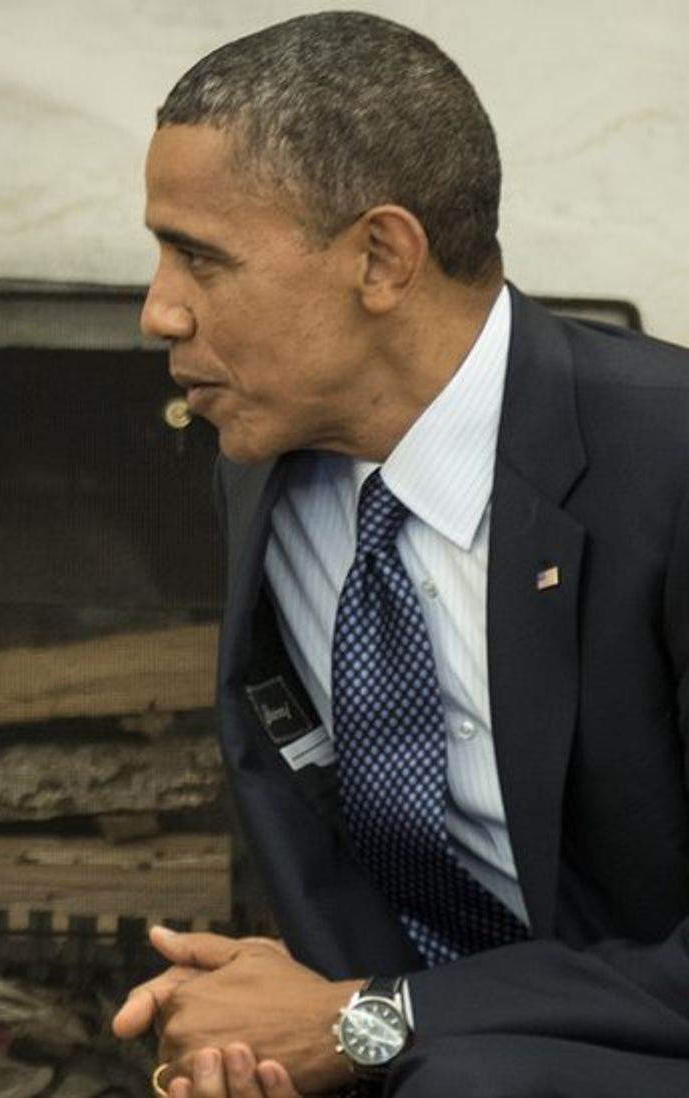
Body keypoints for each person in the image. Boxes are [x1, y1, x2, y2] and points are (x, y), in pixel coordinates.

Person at [108, 11, 689, 1098]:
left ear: (380, 257)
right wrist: (279, 1018)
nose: (158, 311)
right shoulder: (259, 462)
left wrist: (366, 1023)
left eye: (200, 257)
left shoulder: (669, 466)